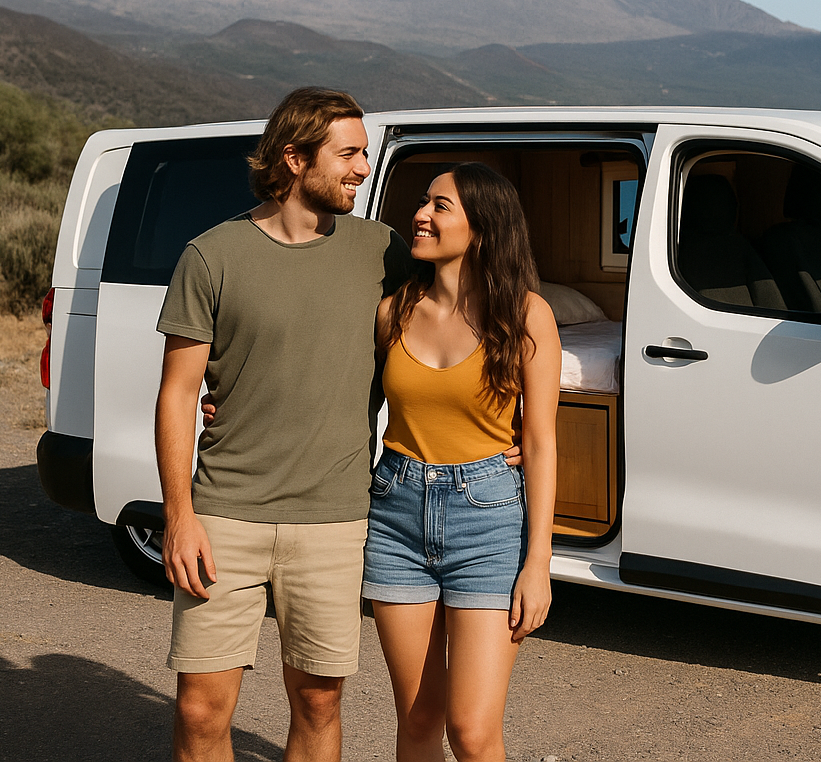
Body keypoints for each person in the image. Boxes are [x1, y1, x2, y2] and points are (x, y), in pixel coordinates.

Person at [153, 87, 411, 762]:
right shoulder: (210, 256)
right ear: (294, 159)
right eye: (348, 154)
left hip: (333, 515)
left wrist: (505, 428)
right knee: (200, 709)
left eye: (364, 153)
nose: (363, 168)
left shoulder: (382, 251)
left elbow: (460, 325)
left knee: (319, 701)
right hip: (224, 514)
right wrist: (178, 516)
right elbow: (177, 394)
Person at [364, 162, 558, 762]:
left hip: (488, 519)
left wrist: (539, 562)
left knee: (472, 732)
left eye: (440, 205)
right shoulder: (391, 312)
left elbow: (541, 442)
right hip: (396, 513)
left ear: (482, 227)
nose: (420, 214)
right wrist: (227, 402)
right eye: (424, 201)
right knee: (418, 718)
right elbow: (334, 397)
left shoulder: (526, 315)